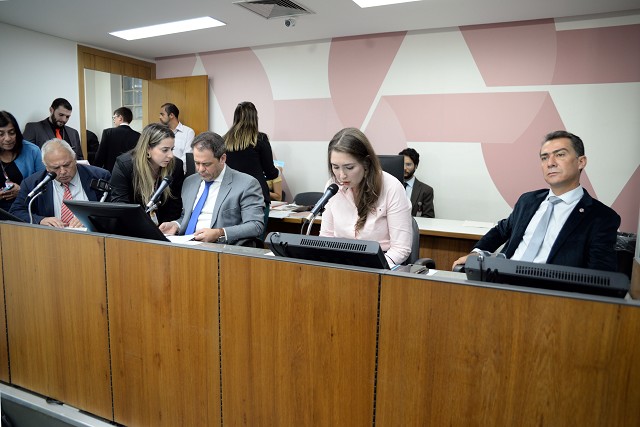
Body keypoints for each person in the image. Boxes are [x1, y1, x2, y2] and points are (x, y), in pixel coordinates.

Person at [452, 130, 620, 272]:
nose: (550, 163)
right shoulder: (528, 201)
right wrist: (477, 252)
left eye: (560, 155)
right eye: (544, 158)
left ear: (581, 162)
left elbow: (600, 275)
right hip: (502, 280)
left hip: (549, 292)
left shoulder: (601, 217)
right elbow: (501, 230)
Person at [319, 128, 413, 268]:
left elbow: (401, 248)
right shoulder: (332, 187)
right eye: (335, 167)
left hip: (380, 264)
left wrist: (372, 268)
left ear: (366, 163)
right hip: (340, 263)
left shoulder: (392, 187)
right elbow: (326, 237)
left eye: (349, 167)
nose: (342, 175)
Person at [159, 131, 265, 245]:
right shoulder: (190, 182)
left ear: (222, 159)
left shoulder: (246, 184)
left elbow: (256, 225)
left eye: (206, 164)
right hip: (184, 245)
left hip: (220, 248)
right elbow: (188, 216)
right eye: (197, 163)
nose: (200, 169)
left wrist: (219, 233)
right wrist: (176, 225)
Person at [10, 139, 110, 227]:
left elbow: (113, 209)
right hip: (52, 237)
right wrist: (40, 220)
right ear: (46, 167)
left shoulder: (99, 176)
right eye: (56, 168)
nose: (63, 171)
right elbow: (16, 211)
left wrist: (91, 218)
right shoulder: (33, 183)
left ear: (74, 159)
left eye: (67, 165)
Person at [109, 123, 184, 224]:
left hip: (165, 227)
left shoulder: (176, 166)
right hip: (132, 225)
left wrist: (167, 227)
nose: (170, 155)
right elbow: (120, 205)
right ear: (148, 148)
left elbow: (175, 205)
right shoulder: (125, 165)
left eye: (172, 149)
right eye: (165, 150)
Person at [223, 102, 279, 207]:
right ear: (254, 118)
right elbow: (271, 173)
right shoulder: (260, 139)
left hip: (231, 195)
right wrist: (277, 171)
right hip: (256, 194)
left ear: (236, 118)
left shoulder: (224, 140)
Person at [0, 111, 45, 211]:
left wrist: (22, 191)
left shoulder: (32, 150)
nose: (8, 138)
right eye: (1, 134)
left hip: (25, 209)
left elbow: (45, 185)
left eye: (12, 133)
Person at [94, 107, 141, 172]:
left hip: (110, 171)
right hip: (130, 172)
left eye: (114, 117)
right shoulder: (138, 135)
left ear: (120, 118)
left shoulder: (108, 132)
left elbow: (100, 155)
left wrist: (95, 170)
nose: (114, 120)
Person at [398, 148, 434, 218]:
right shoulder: (390, 186)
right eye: (402, 164)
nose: (404, 168)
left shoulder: (426, 190)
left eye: (408, 164)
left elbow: (429, 218)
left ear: (416, 166)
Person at [159, 103, 194, 171]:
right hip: (161, 171)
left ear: (171, 115)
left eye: (162, 114)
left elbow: (187, 156)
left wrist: (176, 170)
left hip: (179, 172)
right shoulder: (160, 132)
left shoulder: (188, 132)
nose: (160, 117)